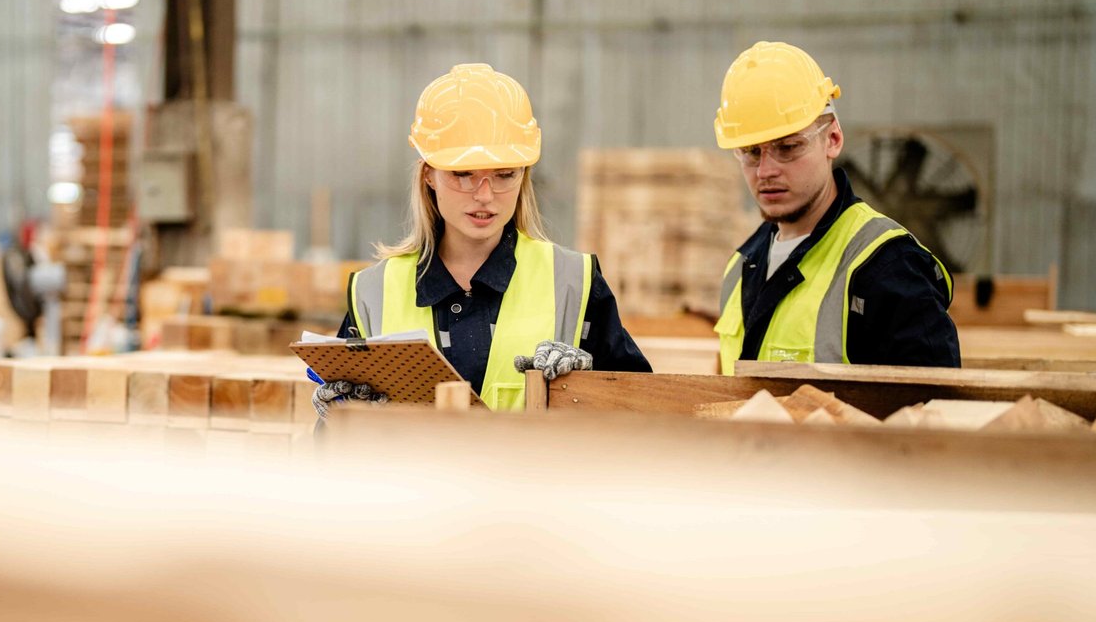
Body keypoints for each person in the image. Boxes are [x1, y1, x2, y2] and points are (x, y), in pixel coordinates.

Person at [317, 63, 649, 416]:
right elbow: (339, 443)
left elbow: (644, 415)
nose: (485, 195)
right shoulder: (374, 292)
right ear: (429, 175)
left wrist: (590, 385)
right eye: (463, 174)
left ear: (524, 175)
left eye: (505, 174)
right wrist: (337, 417)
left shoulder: (573, 282)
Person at [711, 41, 960, 375]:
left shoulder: (887, 267)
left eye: (788, 147)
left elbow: (933, 404)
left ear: (833, 139)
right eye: (751, 152)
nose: (765, 170)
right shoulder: (740, 267)